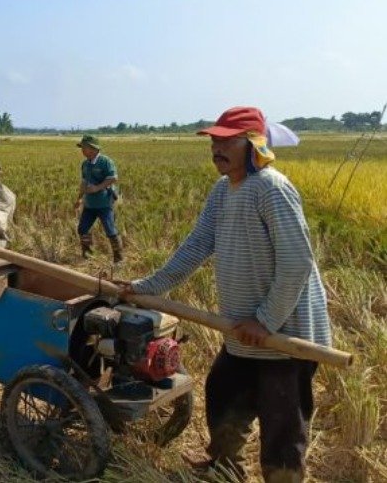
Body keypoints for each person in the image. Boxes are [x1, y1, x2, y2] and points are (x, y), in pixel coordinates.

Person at [120, 106, 331, 483]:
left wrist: (265, 320)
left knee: (282, 421)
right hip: (243, 331)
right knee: (223, 394)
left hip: (284, 335)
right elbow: (197, 245)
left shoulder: (272, 189)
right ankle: (225, 467)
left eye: (227, 140)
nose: (217, 148)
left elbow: (297, 263)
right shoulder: (223, 190)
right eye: (214, 141)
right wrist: (145, 287)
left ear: (253, 144)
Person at [73, 135, 123, 263]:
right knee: (82, 229)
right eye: (82, 148)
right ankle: (87, 254)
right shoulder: (85, 164)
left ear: (93, 149)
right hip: (89, 204)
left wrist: (97, 188)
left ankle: (118, 259)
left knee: (110, 230)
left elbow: (113, 178)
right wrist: (79, 199)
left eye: (84, 147)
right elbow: (84, 183)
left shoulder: (105, 162)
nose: (82, 150)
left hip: (104, 204)